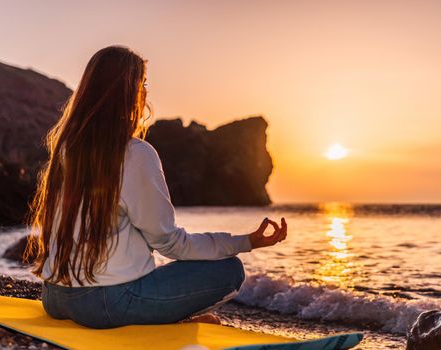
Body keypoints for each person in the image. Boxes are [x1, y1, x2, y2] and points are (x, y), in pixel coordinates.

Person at [25, 45, 287, 329]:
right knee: (229, 269)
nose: (146, 91)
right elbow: (170, 243)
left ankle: (163, 317)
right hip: (104, 307)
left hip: (55, 298)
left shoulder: (67, 148)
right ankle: (172, 323)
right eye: (143, 83)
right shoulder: (135, 154)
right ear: (129, 92)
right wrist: (245, 242)